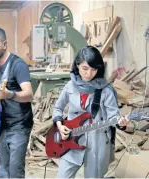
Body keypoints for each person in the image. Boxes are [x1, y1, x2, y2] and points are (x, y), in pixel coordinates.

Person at [53, 46, 130, 178]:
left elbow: (114, 117)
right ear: (77, 66)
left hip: (97, 143)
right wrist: (60, 126)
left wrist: (121, 123)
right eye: (85, 68)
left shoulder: (105, 90)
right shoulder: (70, 86)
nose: (89, 73)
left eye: (94, 69)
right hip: (72, 139)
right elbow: (58, 108)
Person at [0, 26, 33, 178]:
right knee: (4, 169)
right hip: (2, 123)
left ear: (4, 44)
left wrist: (10, 94)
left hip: (19, 124)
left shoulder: (18, 65)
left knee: (15, 170)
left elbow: (29, 94)